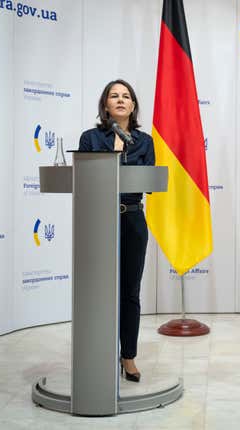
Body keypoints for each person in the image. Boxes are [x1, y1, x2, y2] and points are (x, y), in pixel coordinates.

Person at [78, 79, 155, 382]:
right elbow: (83, 179)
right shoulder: (90, 138)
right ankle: (100, 354)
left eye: (126, 96)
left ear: (133, 106)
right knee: (99, 292)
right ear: (105, 104)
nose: (121, 100)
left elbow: (150, 182)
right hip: (98, 221)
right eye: (114, 95)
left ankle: (129, 357)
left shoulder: (145, 141)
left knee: (130, 293)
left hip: (133, 220)